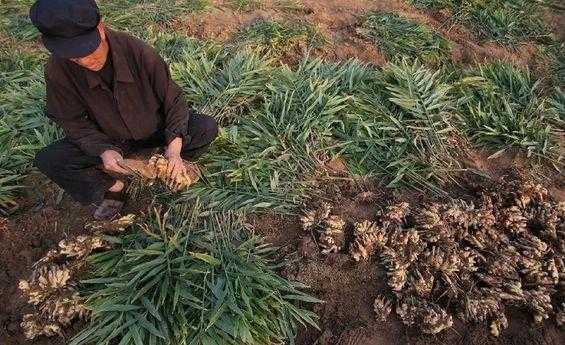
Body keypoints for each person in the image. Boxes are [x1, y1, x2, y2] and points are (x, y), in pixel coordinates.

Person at [29, 0, 218, 220]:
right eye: (72, 55)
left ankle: (163, 160)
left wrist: (174, 148)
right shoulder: (57, 69)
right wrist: (103, 149)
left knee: (205, 127)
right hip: (111, 140)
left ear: (100, 27)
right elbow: (71, 121)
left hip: (156, 131)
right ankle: (114, 186)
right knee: (50, 160)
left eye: (86, 49)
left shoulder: (137, 51)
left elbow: (173, 99)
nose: (83, 60)